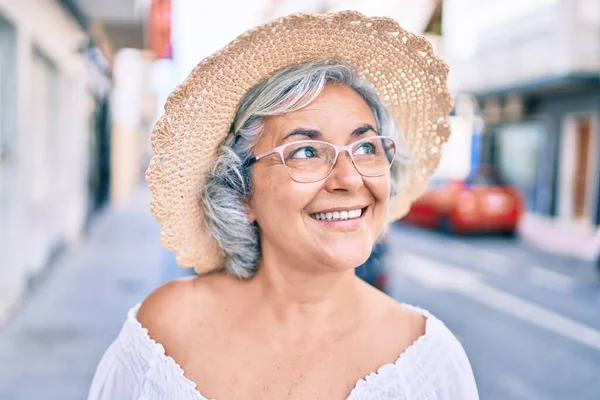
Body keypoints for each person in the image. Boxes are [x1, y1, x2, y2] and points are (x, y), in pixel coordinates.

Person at [88, 11, 479, 400]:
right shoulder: (166, 331)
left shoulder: (429, 364)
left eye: (365, 146)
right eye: (307, 151)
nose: (350, 179)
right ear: (242, 192)